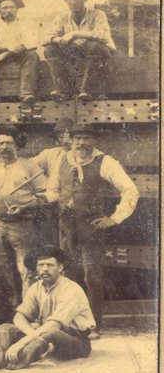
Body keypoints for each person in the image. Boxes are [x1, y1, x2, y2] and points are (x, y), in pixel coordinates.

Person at [47, 124, 139, 334]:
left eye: (86, 138)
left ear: (94, 141)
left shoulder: (105, 161)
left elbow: (130, 190)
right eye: (77, 138)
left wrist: (114, 219)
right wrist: (57, 201)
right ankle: (67, 324)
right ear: (70, 139)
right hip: (66, 227)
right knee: (68, 275)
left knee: (92, 277)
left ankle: (93, 325)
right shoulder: (62, 159)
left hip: (91, 227)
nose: (81, 143)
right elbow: (52, 189)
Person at [0, 246, 95, 373]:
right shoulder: (36, 287)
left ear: (60, 268)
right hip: (44, 334)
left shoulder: (71, 289)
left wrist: (23, 342)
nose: (45, 269)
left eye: (50, 265)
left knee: (50, 333)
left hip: (76, 341)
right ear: (37, 268)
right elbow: (19, 316)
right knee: (7, 327)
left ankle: (14, 361)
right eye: (41, 265)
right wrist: (30, 333)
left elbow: (55, 325)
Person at [0, 126, 46, 300]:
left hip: (22, 224)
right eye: (0, 143)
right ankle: (10, 305)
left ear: (17, 145)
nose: (4, 147)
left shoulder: (30, 167)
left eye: (8, 143)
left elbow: (44, 195)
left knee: (26, 268)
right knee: (1, 266)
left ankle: (28, 307)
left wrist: (26, 206)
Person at [44, 0, 115, 102]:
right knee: (50, 49)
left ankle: (86, 90)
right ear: (66, 1)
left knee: (94, 46)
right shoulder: (62, 17)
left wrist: (75, 34)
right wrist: (67, 40)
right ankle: (62, 91)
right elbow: (46, 37)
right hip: (75, 54)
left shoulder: (97, 14)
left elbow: (103, 35)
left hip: (101, 55)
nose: (73, 2)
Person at [27, 119, 73, 246]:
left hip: (72, 205)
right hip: (52, 204)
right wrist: (44, 184)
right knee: (50, 240)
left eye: (68, 135)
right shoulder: (51, 154)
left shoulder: (83, 155)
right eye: (61, 136)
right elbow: (28, 167)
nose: (65, 140)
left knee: (70, 242)